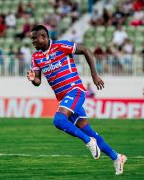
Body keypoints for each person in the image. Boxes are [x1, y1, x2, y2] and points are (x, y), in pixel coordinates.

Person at [27, 25, 126, 175]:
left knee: (58, 121)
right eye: (32, 38)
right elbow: (38, 81)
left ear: (44, 36)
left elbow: (85, 49)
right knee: (89, 130)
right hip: (64, 98)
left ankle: (88, 142)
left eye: (35, 38)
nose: (33, 41)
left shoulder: (60, 46)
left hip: (75, 91)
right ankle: (117, 157)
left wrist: (94, 74)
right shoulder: (36, 57)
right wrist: (33, 79)